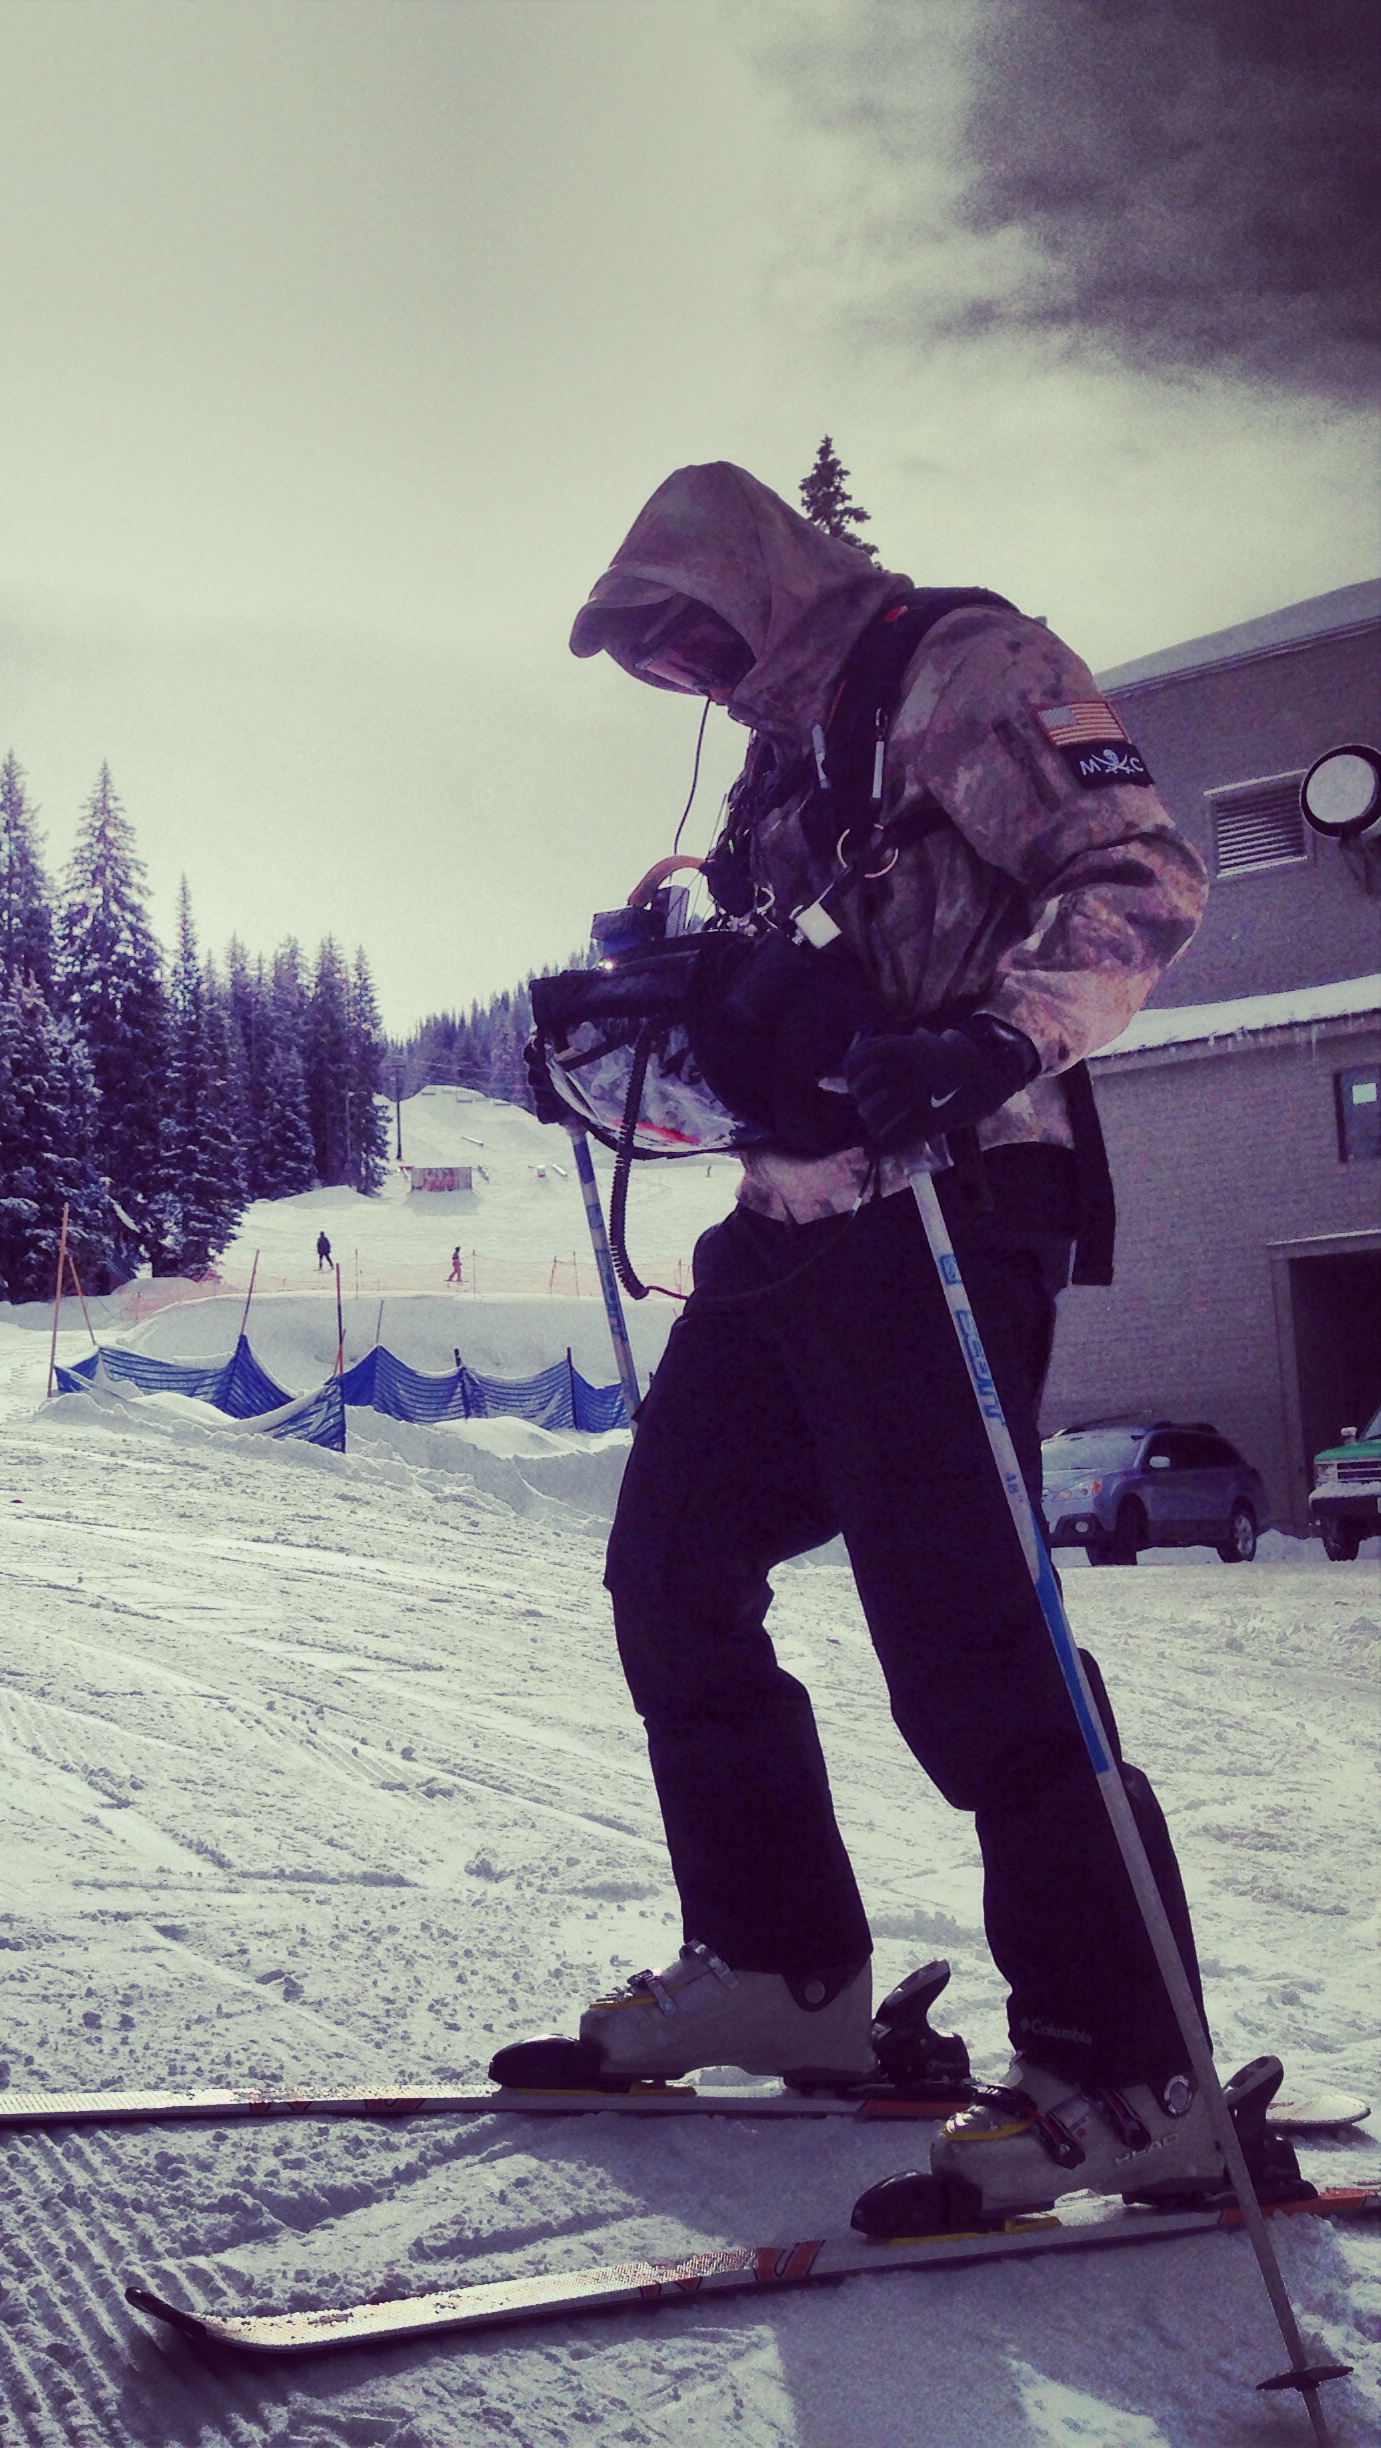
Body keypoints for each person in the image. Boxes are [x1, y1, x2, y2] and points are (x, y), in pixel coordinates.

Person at [492, 462, 1214, 2223]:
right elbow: (775, 980)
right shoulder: (773, 768)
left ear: (753, 576)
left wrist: (992, 1041)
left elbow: (1142, 877)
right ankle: (785, 1971)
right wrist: (647, 1024)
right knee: (670, 1563)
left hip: (957, 1199)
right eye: (652, 660)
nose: (686, 675)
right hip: (795, 1217)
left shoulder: (962, 669)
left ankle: (1135, 2071)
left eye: (690, 633)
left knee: (967, 1630)